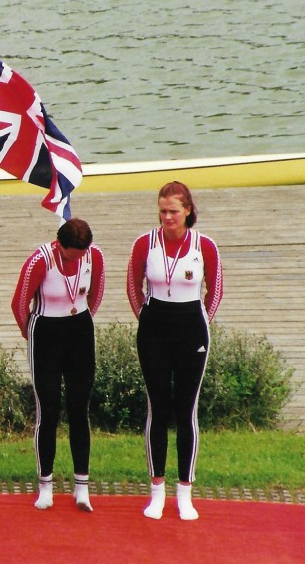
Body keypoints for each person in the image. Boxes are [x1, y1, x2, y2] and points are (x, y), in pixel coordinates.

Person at [127, 181, 223, 521]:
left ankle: (185, 492)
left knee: (186, 410)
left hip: (191, 327)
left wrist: (202, 323)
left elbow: (215, 289)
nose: (167, 217)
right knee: (158, 408)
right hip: (154, 327)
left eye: (174, 211)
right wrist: (147, 320)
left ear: (188, 211)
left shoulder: (204, 245)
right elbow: (133, 286)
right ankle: (156, 491)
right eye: (162, 211)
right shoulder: (145, 243)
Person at [11, 218, 105, 512]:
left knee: (79, 408)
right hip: (45, 332)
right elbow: (19, 303)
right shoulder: (41, 259)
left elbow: (96, 293)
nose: (75, 259)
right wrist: (32, 336)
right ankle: (45, 484)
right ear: (59, 245)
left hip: (79, 330)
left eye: (80, 255)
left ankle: (82, 486)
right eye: (69, 255)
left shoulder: (94, 255)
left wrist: (82, 319)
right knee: (48, 409)